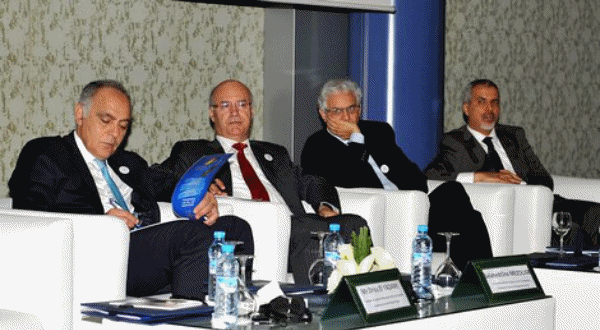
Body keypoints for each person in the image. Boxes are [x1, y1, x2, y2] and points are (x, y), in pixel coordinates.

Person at [9, 80, 253, 301]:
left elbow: (168, 184)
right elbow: (30, 215)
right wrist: (100, 221)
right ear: (80, 113)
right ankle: (191, 320)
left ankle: (232, 308)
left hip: (143, 249)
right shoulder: (48, 153)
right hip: (98, 254)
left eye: (123, 126)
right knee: (190, 235)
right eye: (106, 121)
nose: (114, 134)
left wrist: (202, 194)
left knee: (235, 227)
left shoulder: (128, 163)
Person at [158, 79, 369, 284]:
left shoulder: (274, 153)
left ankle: (360, 297)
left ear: (251, 111)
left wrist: (325, 205)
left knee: (355, 224)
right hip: (250, 233)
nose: (234, 113)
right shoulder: (194, 152)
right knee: (306, 230)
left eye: (242, 105)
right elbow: (160, 179)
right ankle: (317, 301)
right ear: (212, 114)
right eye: (225, 106)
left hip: (294, 226)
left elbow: (311, 181)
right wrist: (198, 186)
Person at [301, 79, 493, 271]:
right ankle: (477, 274)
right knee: (460, 223)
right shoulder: (316, 147)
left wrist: (383, 161)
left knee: (453, 194)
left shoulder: (378, 132)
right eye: (337, 111)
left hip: (414, 210)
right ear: (324, 114)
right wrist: (357, 140)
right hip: (381, 219)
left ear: (359, 109)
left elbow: (418, 180)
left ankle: (483, 273)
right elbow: (352, 180)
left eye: (351, 109)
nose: (346, 117)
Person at [425, 78, 600, 247]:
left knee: (595, 213)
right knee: (571, 231)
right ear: (466, 108)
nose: (490, 109)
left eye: (494, 102)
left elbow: (544, 179)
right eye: (482, 102)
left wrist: (525, 189)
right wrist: (480, 177)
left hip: (538, 203)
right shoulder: (455, 141)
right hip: (505, 210)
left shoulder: (514, 136)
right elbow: (431, 175)